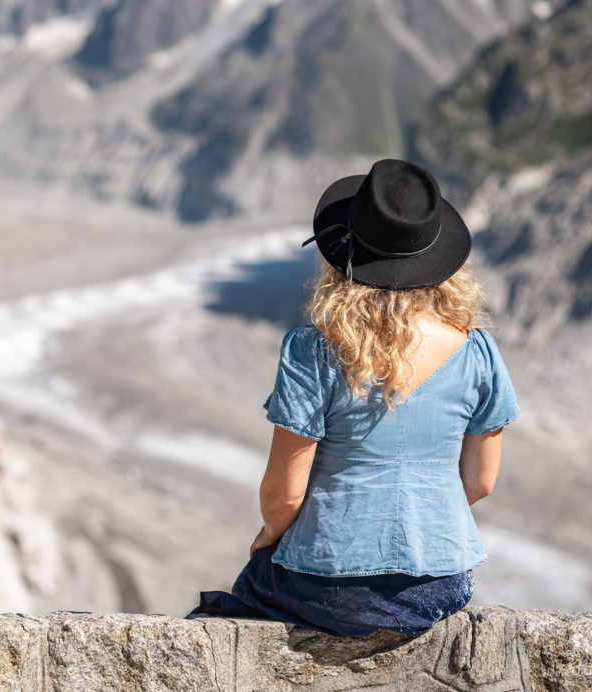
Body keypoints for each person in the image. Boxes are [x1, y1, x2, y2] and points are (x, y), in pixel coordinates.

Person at [190, 159, 520, 637]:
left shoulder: (314, 351)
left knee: (229, 612)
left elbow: (284, 492)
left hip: (325, 583)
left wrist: (270, 537)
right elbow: (481, 481)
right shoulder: (479, 351)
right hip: (440, 584)